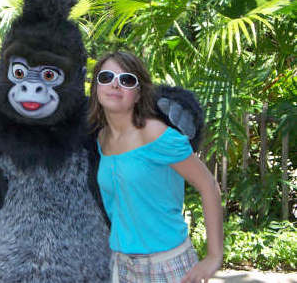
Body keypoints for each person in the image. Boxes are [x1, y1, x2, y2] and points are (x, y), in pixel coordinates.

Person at [88, 51, 223, 283]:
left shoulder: (156, 134)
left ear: (139, 93)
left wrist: (214, 256)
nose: (115, 85)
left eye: (127, 80)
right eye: (106, 77)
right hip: (121, 266)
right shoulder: (102, 139)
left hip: (167, 266)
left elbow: (208, 185)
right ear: (96, 86)